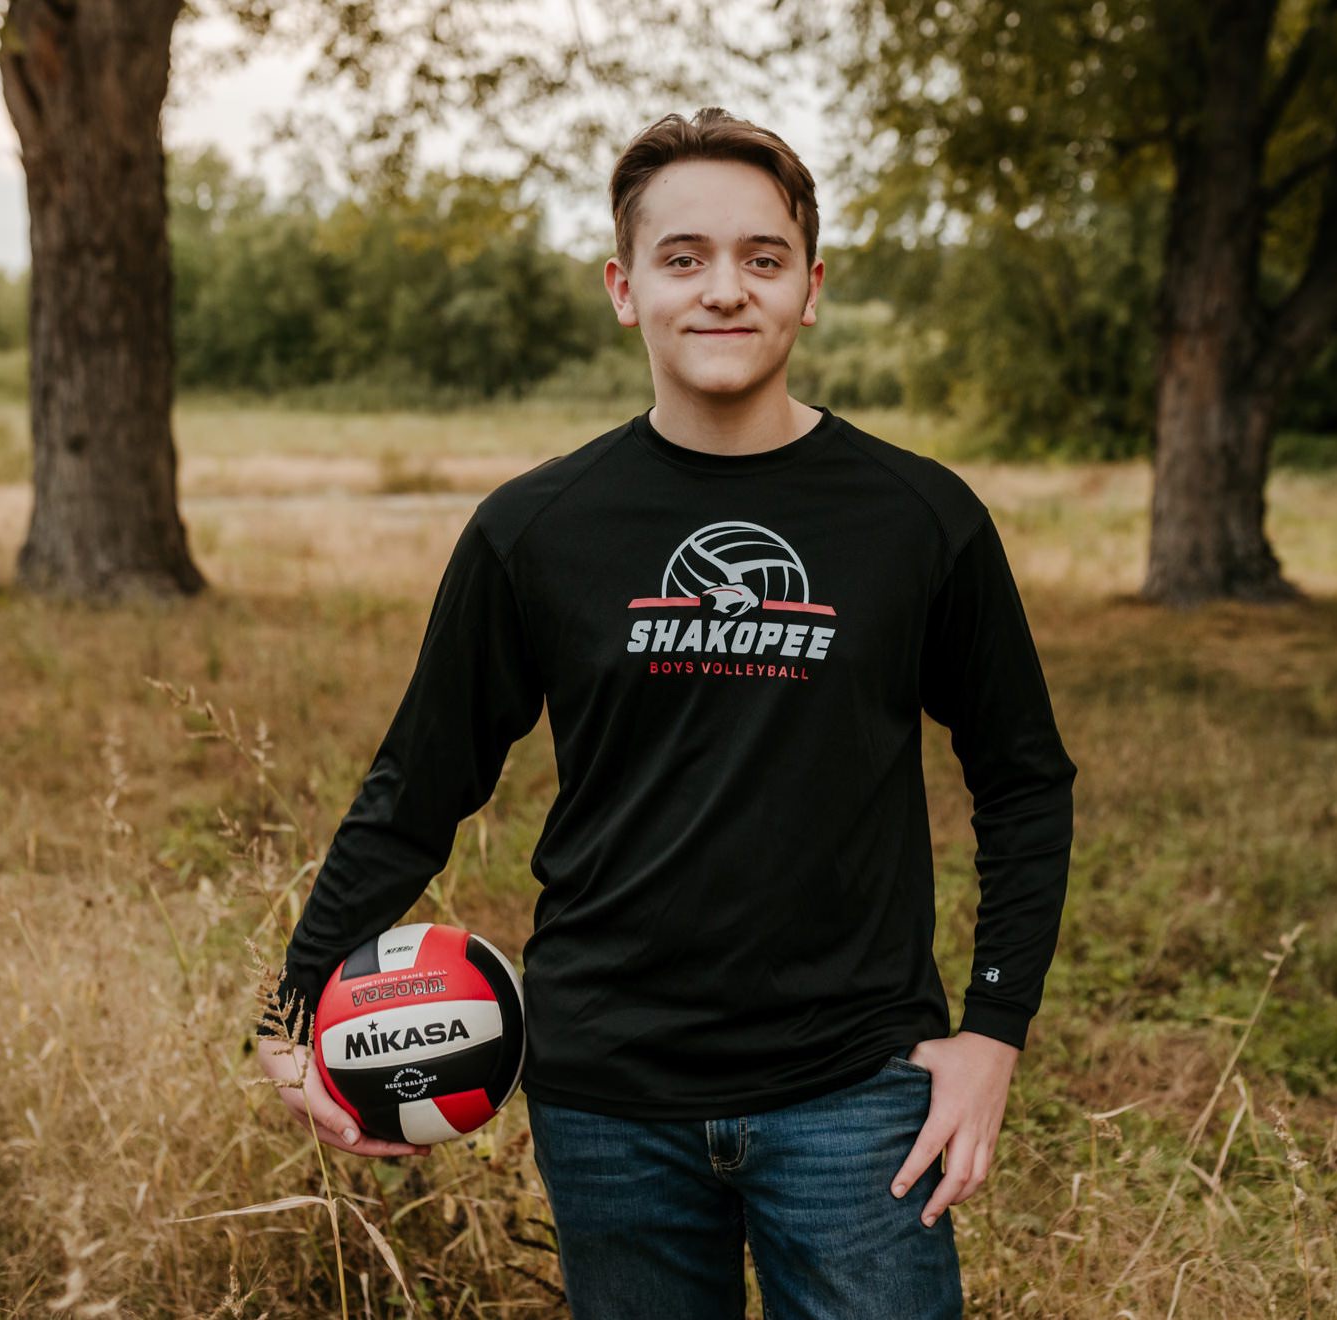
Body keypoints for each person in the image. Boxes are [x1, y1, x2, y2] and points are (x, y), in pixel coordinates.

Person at [256, 106, 1078, 1318]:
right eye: (682, 258)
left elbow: (1021, 775)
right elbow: (419, 787)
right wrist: (288, 1009)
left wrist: (995, 1031)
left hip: (855, 1092)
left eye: (762, 257)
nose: (724, 291)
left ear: (810, 288)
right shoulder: (534, 529)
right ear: (624, 288)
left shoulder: (918, 518)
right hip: (608, 1100)